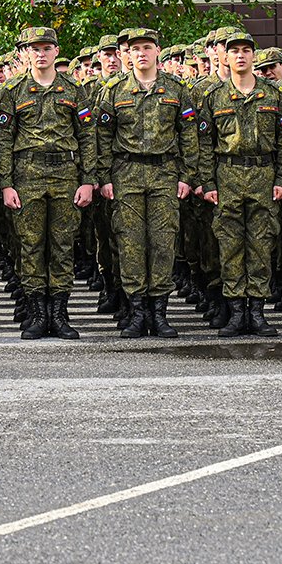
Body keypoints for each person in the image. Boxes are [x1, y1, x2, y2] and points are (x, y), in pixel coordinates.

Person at [0, 26, 97, 340]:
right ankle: (38, 314)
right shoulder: (12, 91)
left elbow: (87, 137)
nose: (40, 54)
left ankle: (60, 314)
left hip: (66, 174)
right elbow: (3, 140)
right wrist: (6, 184)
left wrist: (88, 181)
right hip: (27, 176)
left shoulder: (74, 90)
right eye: (34, 49)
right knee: (31, 245)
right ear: (26, 53)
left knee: (63, 246)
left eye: (46, 48)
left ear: (55, 51)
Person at [94, 26, 198, 340]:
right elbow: (101, 137)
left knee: (163, 243)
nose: (141, 53)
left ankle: (160, 314)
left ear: (157, 51)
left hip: (164, 173)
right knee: (130, 244)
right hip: (126, 174)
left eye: (147, 47)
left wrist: (187, 175)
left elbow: (190, 135)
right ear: (127, 53)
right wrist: (104, 177)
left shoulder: (177, 89)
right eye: (135, 48)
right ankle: (137, 313)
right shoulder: (114, 90)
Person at [194, 28, 282, 347]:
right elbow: (204, 143)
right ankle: (236, 310)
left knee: (261, 242)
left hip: (263, 174)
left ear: (252, 55)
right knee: (231, 244)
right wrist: (207, 181)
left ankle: (258, 311)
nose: (240, 55)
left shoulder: (274, 95)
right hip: (228, 175)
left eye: (246, 50)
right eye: (234, 50)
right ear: (224, 56)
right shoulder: (214, 97)